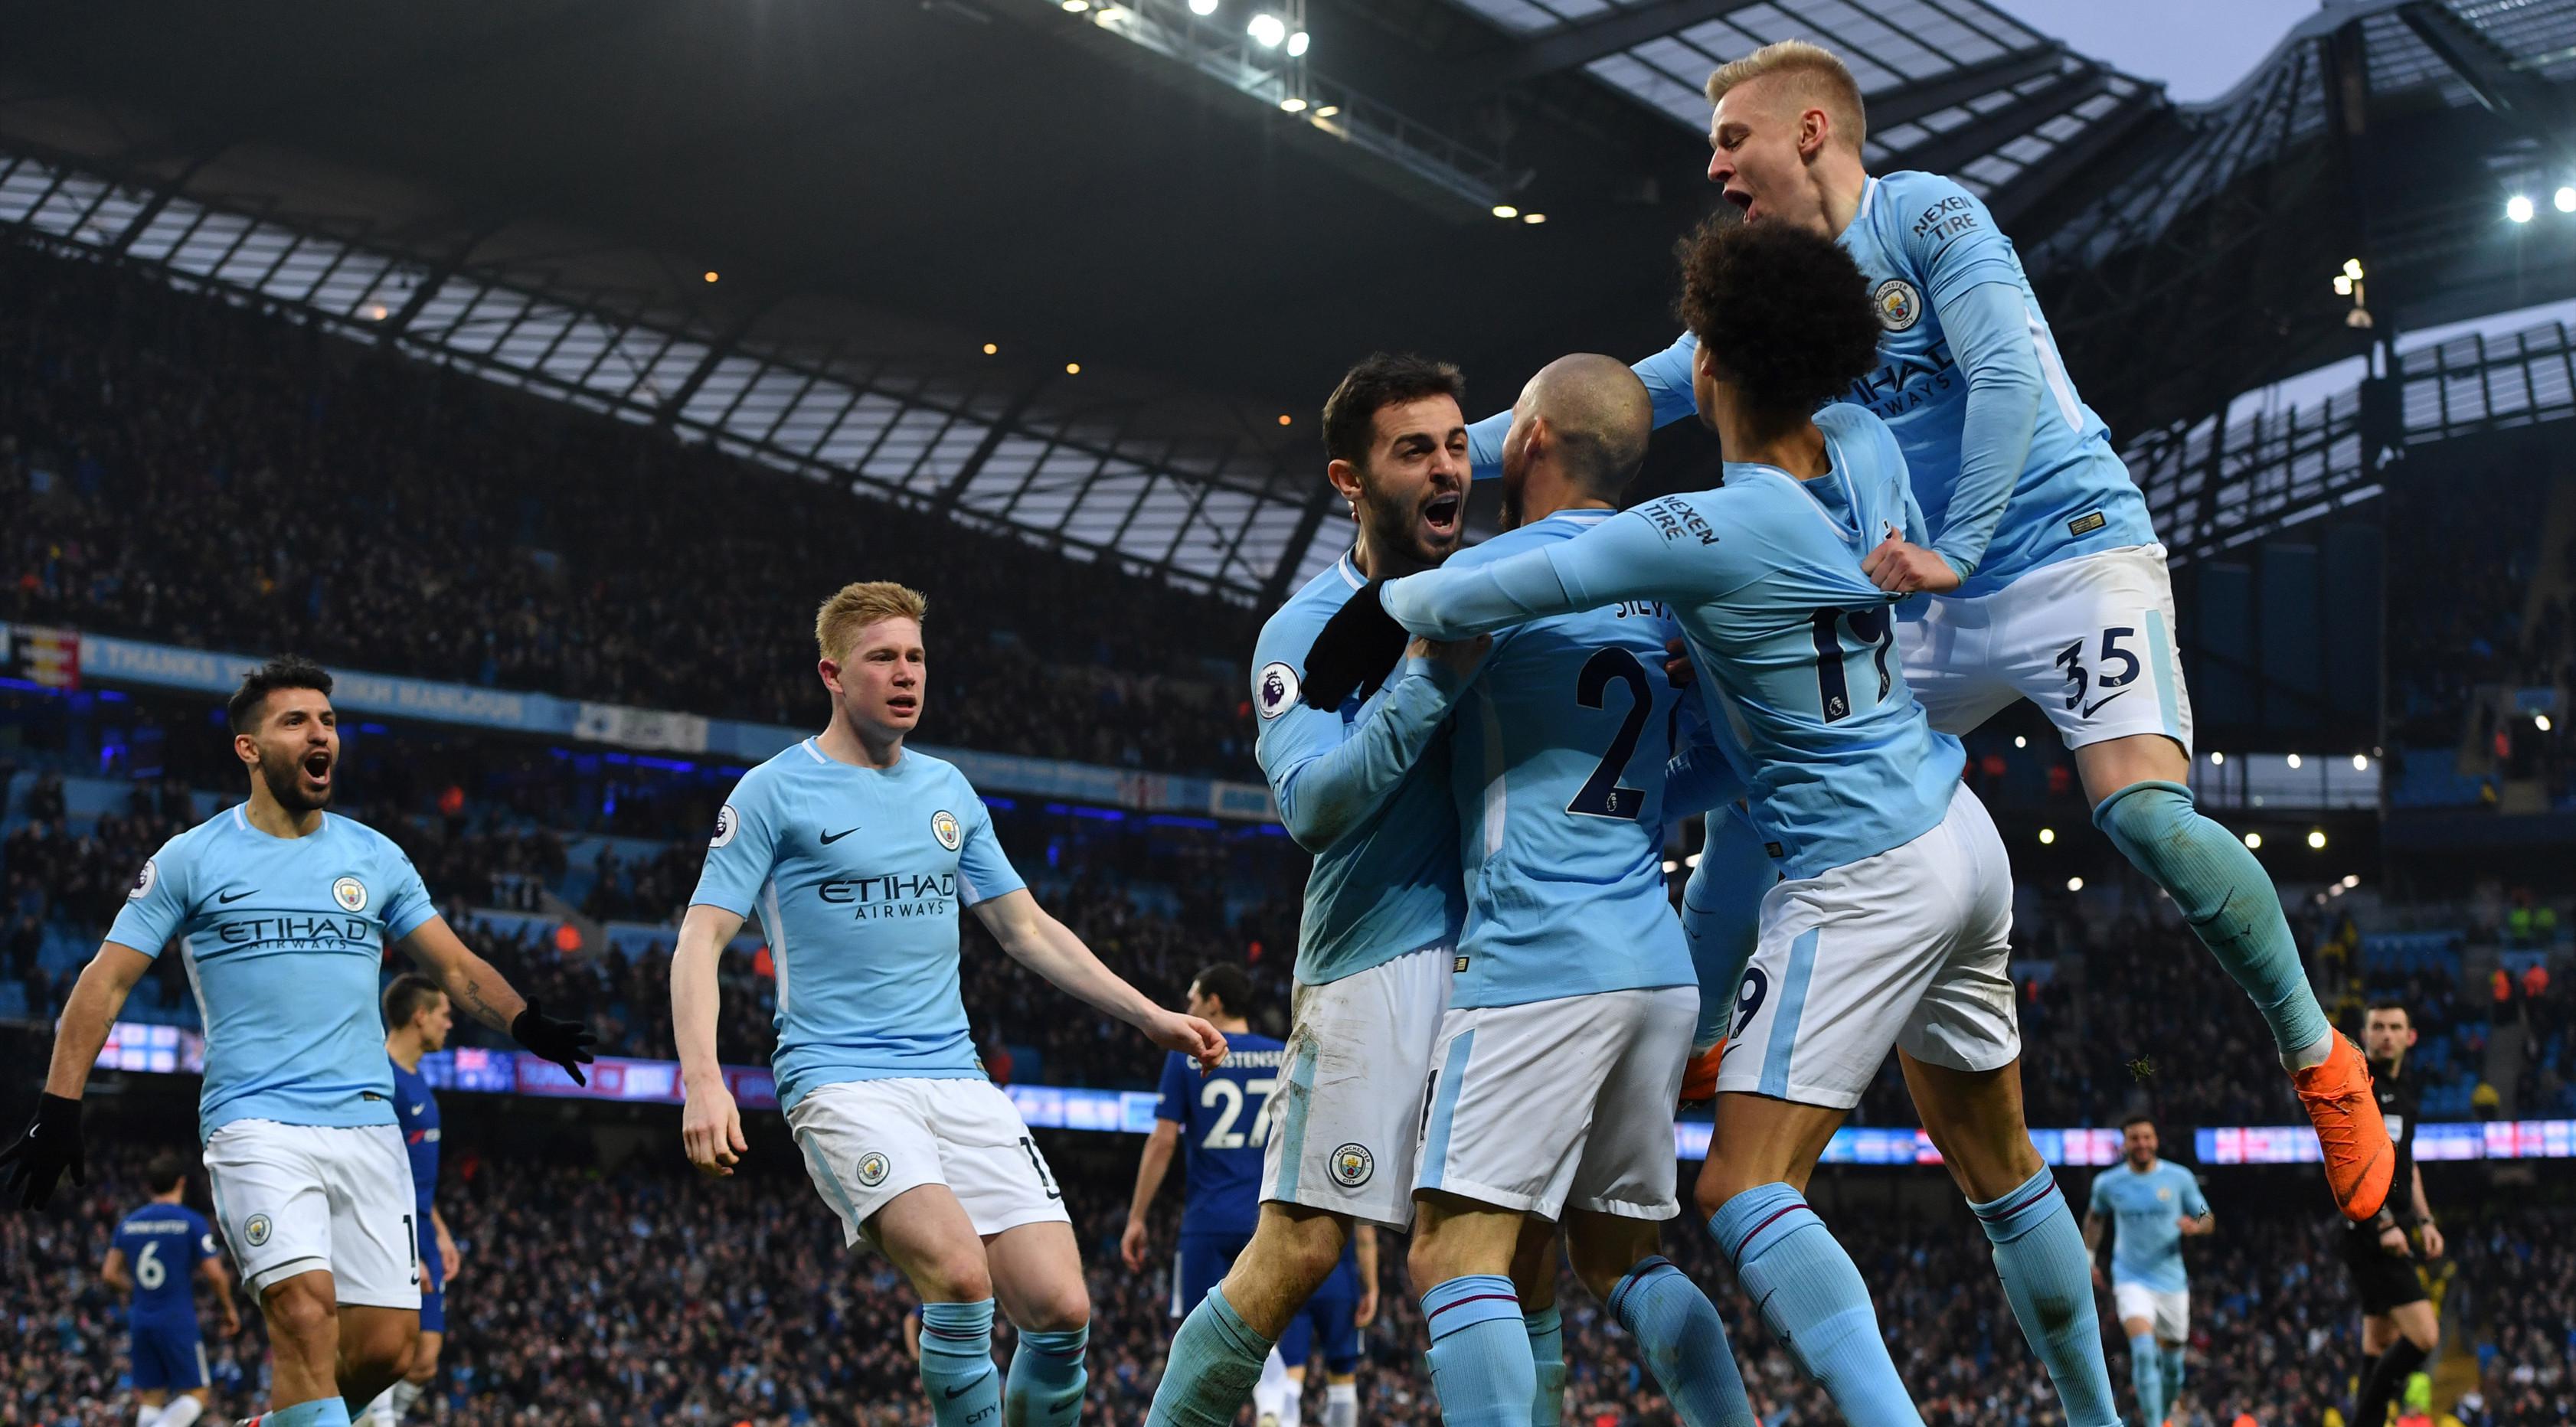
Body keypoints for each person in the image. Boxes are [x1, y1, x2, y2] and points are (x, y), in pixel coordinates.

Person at [1470, 36, 2390, 1224]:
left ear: (1810, 131)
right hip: (1928, 586)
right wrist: (1448, 452)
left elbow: (2005, 377)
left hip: (2069, 549)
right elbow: (1619, 397)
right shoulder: (1777, 295)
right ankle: (1699, 1033)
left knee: (2144, 814)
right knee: (1767, 762)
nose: (1713, 169)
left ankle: (2321, 1058)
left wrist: (1958, 541)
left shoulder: (1928, 217)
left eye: (1729, 140)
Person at [1312, 219, 2119, 1427]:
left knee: (1738, 1188)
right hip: (1953, 826)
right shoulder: (1860, 447)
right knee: (1998, 1166)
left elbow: (1517, 577)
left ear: (1710, 373)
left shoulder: (1706, 529)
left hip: (1850, 870)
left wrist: (1376, 603)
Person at [1313, 353, 1752, 1427]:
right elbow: (1731, 762)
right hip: (1654, 966)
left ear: (1531, 442)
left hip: (1536, 959)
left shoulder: (1497, 580)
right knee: (1618, 1259)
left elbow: (1343, 663)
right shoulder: (1663, 589)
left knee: (1454, 1255)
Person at [672, 580, 1224, 1427]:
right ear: (832, 672)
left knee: (1061, 1308)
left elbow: (1027, 930)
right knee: (962, 1281)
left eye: (917, 657)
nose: (906, 674)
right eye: (883, 657)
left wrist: (1151, 1015)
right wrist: (703, 1080)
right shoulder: (772, 793)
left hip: (956, 1082)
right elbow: (699, 942)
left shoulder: (948, 790)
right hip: (841, 1081)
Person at [0, 656, 595, 1427]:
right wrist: (60, 1104)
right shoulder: (193, 857)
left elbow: (450, 962)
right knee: (306, 1313)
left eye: (329, 721)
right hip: (256, 1122)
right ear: (249, 748)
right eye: (297, 721)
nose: (321, 735)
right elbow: (102, 982)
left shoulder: (373, 856)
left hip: (368, 1124)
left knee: (389, 1348)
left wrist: (527, 1020)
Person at [1146, 354, 1521, 1427]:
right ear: (1348, 480)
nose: (1448, 468)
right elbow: (1313, 807)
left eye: (1459, 445)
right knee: (1303, 1246)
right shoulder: (1305, 631)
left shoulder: (1506, 587)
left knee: (1514, 1257)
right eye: (1416, 451)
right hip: (1376, 958)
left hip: (1511, 957)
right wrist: (1432, 666)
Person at [1122, 965, 1376, 1427]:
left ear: (1215, 1003)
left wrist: (1137, 1216)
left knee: (1198, 1341)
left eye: (1194, 997)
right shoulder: (1283, 1054)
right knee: (1266, 1334)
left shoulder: (1188, 1056)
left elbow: (1162, 1141)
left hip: (1208, 1222)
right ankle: (1271, 1409)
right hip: (1266, 1219)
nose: (1189, 1007)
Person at [364, 975, 461, 1427]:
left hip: (420, 1226)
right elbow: (374, 1173)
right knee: (391, 1353)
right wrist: (403, 1250)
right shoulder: (380, 1080)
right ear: (419, 1016)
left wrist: (439, 1233)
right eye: (444, 1013)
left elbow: (413, 1174)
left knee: (424, 1361)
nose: (450, 1022)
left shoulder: (416, 1080)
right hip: (389, 1228)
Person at [2345, 999, 2445, 1427]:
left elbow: (2409, 1163)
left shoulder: (2405, 1092)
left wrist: (2425, 1220)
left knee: (2377, 1342)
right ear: (2366, 1035)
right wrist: (2384, 1223)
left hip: (2398, 1223)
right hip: (2370, 1227)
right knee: (2424, 1336)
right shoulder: (2359, 1085)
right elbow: (2346, 1159)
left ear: (2410, 1036)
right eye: (2378, 1027)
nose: (2386, 1034)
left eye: (2395, 1027)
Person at [2084, 1115, 2214, 1426]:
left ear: (2156, 1140)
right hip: (2130, 1279)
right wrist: (2089, 1259)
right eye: (2134, 1138)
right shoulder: (2108, 1183)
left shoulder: (2179, 1178)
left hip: (2171, 1282)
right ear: (2125, 1143)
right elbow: (2095, 1220)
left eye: (2146, 1137)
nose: (2141, 1143)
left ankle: (2165, 1412)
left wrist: (2196, 1226)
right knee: (2142, 1352)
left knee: (2172, 1368)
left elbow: (2206, 1216)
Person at [103, 1150, 241, 1427]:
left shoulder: (129, 1223)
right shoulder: (190, 1222)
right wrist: (229, 1310)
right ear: (181, 1182)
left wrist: (135, 1289)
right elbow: (215, 1275)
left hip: (141, 1318)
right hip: (177, 1318)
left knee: (152, 1396)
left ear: (149, 1186)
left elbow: (109, 1274)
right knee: (198, 1394)